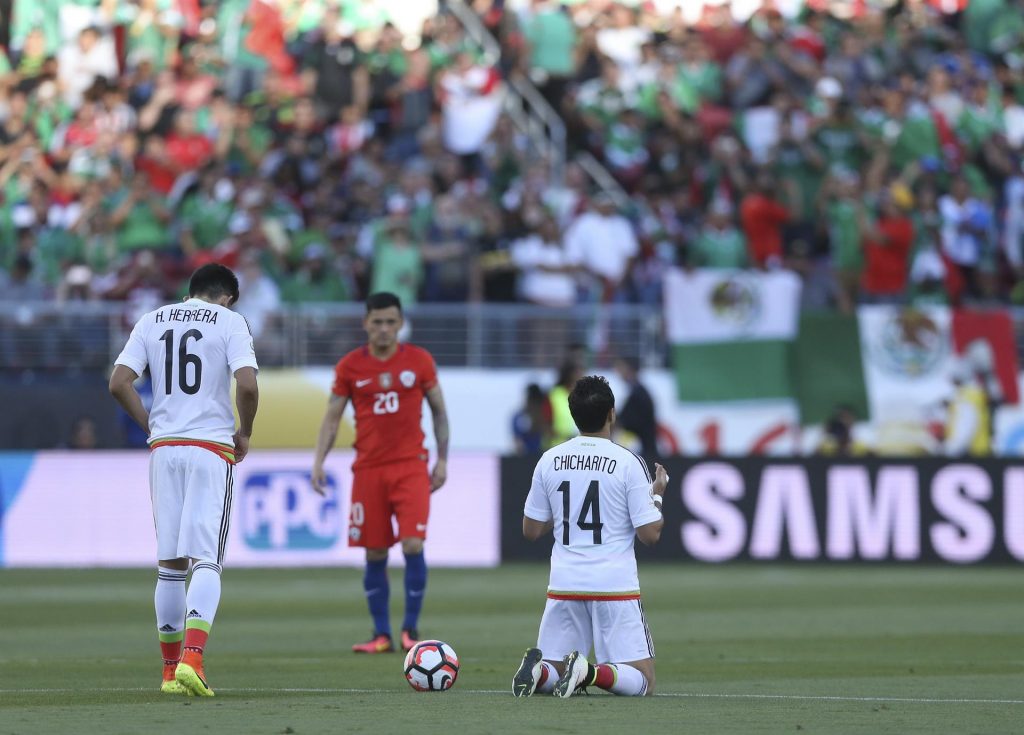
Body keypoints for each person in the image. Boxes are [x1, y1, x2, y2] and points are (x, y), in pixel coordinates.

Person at [108, 263, 260, 697]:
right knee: (206, 558)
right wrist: (244, 432)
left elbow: (119, 383)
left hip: (165, 449)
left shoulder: (151, 319)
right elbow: (247, 386)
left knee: (170, 565)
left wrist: (150, 426)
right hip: (209, 447)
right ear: (227, 297)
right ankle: (193, 658)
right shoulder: (231, 322)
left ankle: (169, 672)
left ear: (191, 290)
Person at [511, 375, 668, 699]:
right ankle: (590, 672)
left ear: (572, 414)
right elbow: (650, 534)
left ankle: (539, 672)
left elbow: (531, 530)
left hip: (564, 584)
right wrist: (657, 496)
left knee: (554, 667)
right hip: (614, 586)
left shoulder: (550, 460)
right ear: (612, 413)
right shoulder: (628, 462)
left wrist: (563, 512)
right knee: (644, 680)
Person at [311, 291, 449, 654]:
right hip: (368, 470)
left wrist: (443, 459)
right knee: (374, 552)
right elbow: (332, 417)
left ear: (401, 323)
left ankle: (411, 630)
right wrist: (318, 461)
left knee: (413, 543)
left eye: (391, 322)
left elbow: (438, 411)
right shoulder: (350, 367)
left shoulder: (419, 361)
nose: (384, 329)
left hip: (411, 467)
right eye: (377, 322)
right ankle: (381, 634)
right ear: (366, 323)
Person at [613, 357, 658, 460]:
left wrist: (617, 422)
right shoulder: (637, 391)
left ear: (630, 369)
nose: (618, 372)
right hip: (644, 450)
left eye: (621, 368)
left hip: (645, 453)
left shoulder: (638, 394)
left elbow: (631, 421)